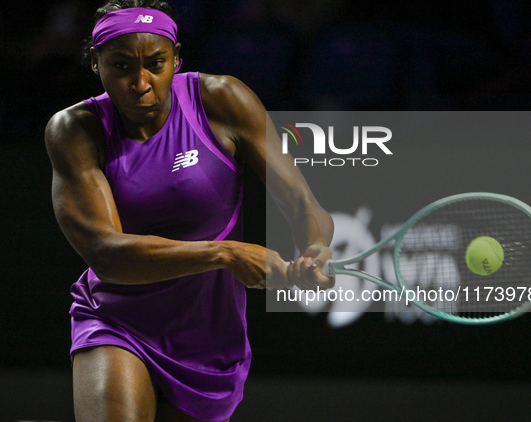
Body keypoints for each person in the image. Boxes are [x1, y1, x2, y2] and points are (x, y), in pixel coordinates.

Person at [44, 1, 334, 421]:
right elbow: (107, 255)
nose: (140, 83)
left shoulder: (221, 99)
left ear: (177, 58)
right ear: (96, 62)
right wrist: (226, 254)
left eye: (155, 64)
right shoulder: (75, 130)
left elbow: (302, 203)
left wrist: (314, 246)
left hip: (210, 334)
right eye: (121, 66)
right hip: (117, 319)